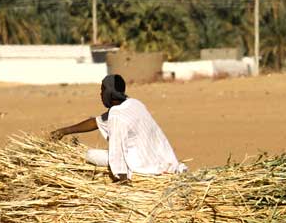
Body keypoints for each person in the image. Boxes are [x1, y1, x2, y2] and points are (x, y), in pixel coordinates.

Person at [50, 74, 187, 181]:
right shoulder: (134, 103)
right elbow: (96, 122)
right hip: (162, 159)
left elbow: (117, 147)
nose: (100, 95)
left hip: (142, 164)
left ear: (109, 93)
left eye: (102, 90)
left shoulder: (116, 115)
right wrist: (64, 131)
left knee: (90, 154)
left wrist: (121, 176)